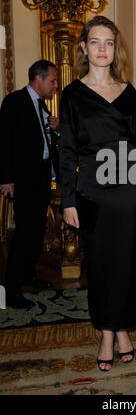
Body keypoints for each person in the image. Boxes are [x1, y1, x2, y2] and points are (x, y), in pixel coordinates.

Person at [59, 16, 136, 372]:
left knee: (126, 265)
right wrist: (68, 199)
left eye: (109, 42)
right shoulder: (72, 94)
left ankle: (121, 327)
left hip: (127, 192)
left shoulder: (129, 92)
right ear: (84, 47)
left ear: (116, 47)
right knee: (101, 265)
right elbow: (66, 150)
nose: (102, 49)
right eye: (95, 42)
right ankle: (107, 334)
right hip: (92, 191)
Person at [0, 59, 59, 309]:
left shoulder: (42, 106)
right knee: (24, 233)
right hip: (23, 180)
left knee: (36, 231)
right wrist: (5, 178)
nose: (55, 86)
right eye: (53, 80)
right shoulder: (14, 102)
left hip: (41, 178)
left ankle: (28, 275)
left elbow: (43, 141)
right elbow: (3, 141)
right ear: (39, 78)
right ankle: (11, 290)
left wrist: (56, 128)